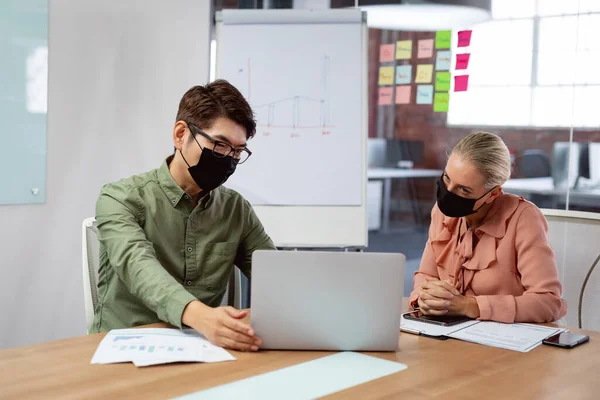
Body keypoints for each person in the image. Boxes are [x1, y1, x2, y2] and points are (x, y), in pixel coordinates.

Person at [91, 80, 276, 352]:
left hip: (204, 348)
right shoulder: (120, 198)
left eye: (238, 151)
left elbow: (275, 276)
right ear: (180, 134)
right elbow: (140, 268)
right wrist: (202, 317)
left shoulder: (236, 209)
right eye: (220, 145)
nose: (229, 159)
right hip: (125, 347)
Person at [409, 132, 567, 323]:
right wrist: (424, 298)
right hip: (447, 333)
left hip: (504, 343)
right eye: (447, 178)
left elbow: (548, 302)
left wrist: (470, 306)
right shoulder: (442, 213)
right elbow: (426, 275)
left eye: (464, 189)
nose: (448, 193)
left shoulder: (524, 218)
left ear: (493, 194)